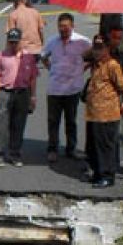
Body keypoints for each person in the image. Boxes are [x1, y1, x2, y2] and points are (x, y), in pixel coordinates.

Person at [41, 13, 91, 162]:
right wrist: (51, 68)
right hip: (55, 88)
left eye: (66, 27)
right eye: (61, 27)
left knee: (71, 121)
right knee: (53, 121)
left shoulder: (82, 41)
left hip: (72, 88)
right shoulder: (52, 41)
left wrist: (82, 69)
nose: (63, 30)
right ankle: (52, 149)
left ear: (72, 26)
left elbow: (94, 55)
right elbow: (43, 56)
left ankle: (71, 149)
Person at [0, 28, 40, 167]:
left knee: (18, 124)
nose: (13, 44)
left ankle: (14, 154)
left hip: (23, 93)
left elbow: (33, 78)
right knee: (2, 125)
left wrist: (33, 97)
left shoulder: (28, 57)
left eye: (15, 42)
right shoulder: (1, 56)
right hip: (6, 92)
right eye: (10, 42)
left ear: (21, 41)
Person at [84, 35, 123, 188]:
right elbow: (82, 56)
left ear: (107, 49)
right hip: (93, 113)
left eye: (100, 48)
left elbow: (122, 87)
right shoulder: (95, 65)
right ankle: (97, 173)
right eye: (95, 48)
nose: (97, 52)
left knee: (105, 146)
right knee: (93, 145)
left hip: (107, 113)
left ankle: (107, 176)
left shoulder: (112, 66)